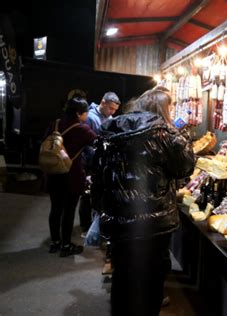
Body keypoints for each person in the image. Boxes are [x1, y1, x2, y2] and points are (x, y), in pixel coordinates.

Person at [91, 87, 195, 315]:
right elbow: (185, 167)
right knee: (151, 277)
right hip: (154, 221)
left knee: (123, 274)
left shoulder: (111, 129)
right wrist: (182, 134)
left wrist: (101, 207)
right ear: (162, 109)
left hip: (117, 219)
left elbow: (97, 171)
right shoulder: (164, 134)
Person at [45, 97, 97, 257]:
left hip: (53, 174)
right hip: (71, 177)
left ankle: (55, 242)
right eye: (85, 113)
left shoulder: (54, 124)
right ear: (78, 113)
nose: (87, 116)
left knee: (55, 209)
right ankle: (66, 245)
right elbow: (100, 143)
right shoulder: (82, 129)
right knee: (68, 211)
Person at [79, 91, 121, 235]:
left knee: (97, 195)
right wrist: (96, 155)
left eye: (115, 110)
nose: (112, 112)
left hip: (102, 162)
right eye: (110, 108)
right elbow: (84, 142)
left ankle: (94, 226)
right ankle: (85, 226)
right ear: (103, 102)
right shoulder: (90, 118)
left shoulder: (109, 117)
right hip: (89, 162)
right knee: (86, 195)